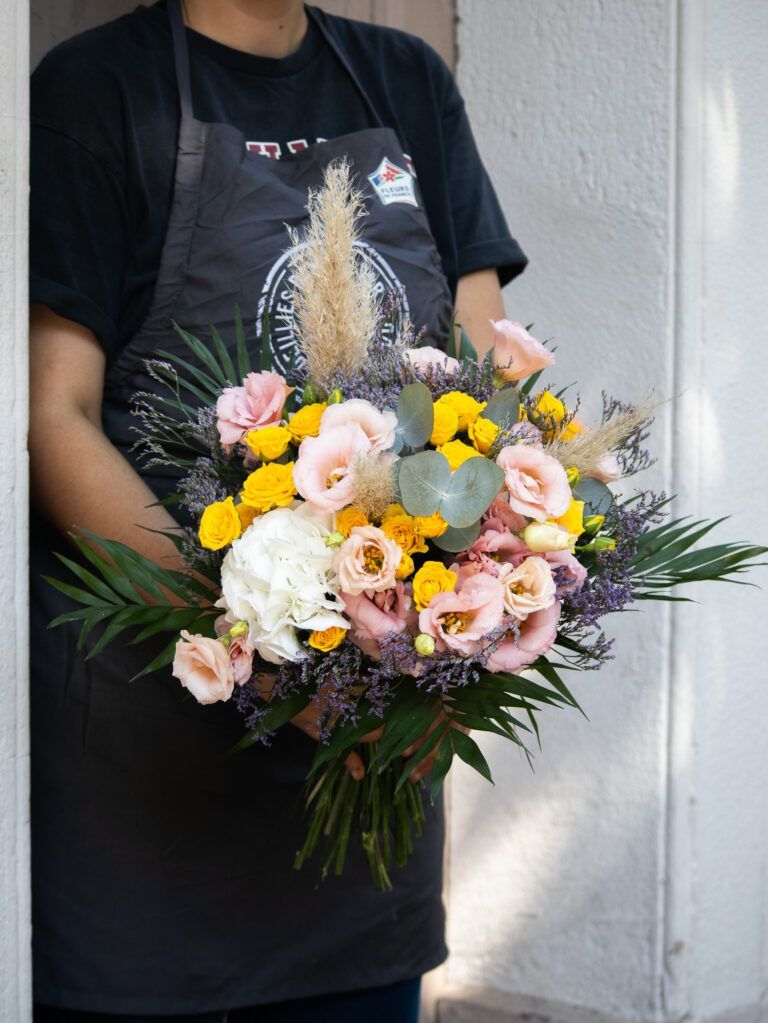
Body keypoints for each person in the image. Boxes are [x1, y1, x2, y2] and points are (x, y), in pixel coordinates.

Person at [28, 1, 528, 1020]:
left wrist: (458, 628)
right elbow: (54, 416)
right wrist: (268, 655)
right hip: (154, 794)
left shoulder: (404, 80)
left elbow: (486, 393)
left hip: (371, 774)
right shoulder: (97, 89)